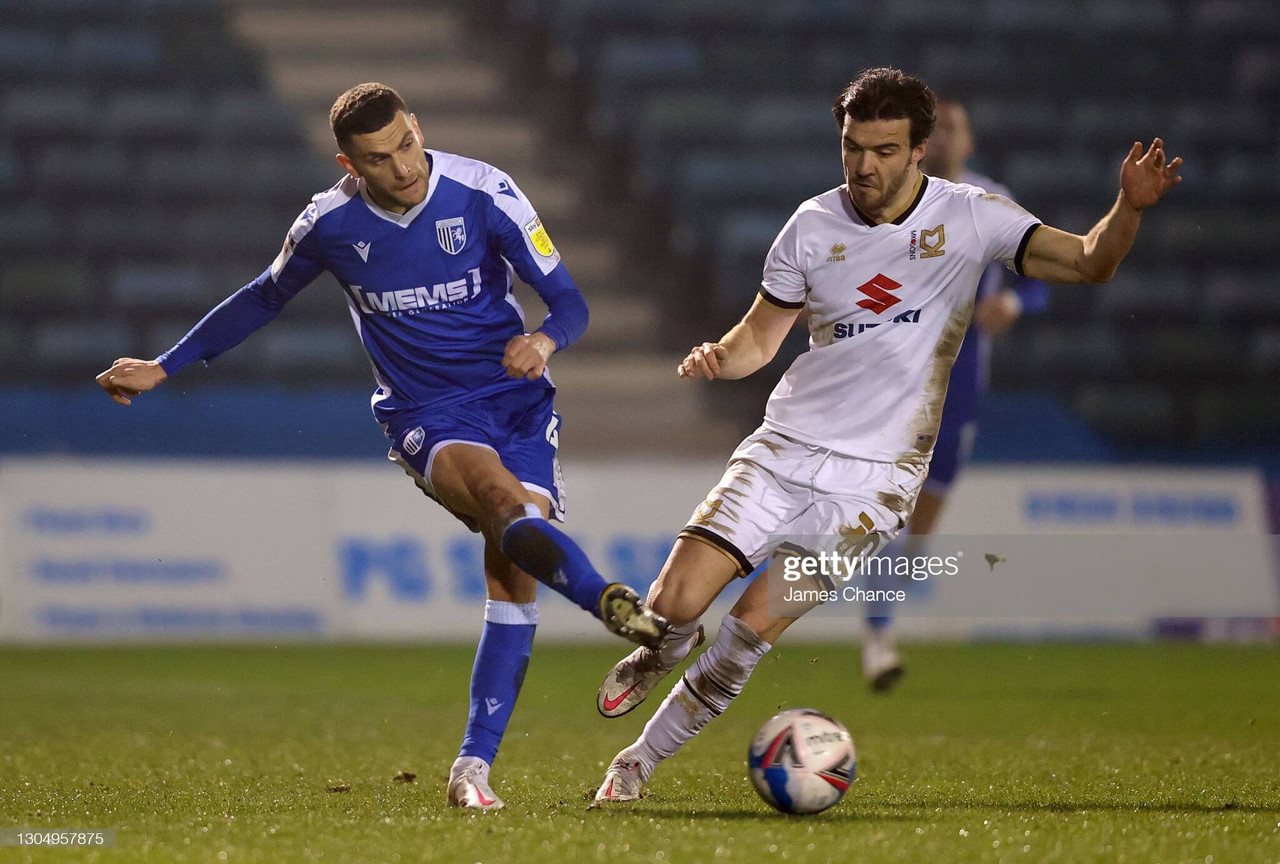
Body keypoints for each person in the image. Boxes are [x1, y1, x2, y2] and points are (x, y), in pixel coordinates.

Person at [590, 67, 1181, 804]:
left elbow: (1092, 262)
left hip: (874, 490)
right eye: (851, 147)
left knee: (750, 627)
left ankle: (636, 763)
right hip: (784, 451)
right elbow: (758, 338)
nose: (864, 165)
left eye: (883, 149)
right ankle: (667, 645)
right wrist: (720, 357)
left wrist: (1127, 204)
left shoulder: (973, 218)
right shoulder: (811, 226)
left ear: (919, 150)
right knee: (673, 602)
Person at [93, 82, 667, 811]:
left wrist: (546, 338)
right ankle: (610, 603)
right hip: (425, 415)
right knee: (503, 506)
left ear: (416, 126)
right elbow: (264, 295)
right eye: (379, 159)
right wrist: (165, 364)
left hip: (519, 407)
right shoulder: (329, 224)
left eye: (406, 144)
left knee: (514, 570)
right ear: (348, 164)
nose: (403, 167)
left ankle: (471, 770)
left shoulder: (485, 191)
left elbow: (571, 301)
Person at [858, 99, 1050, 692]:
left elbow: (1040, 280)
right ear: (918, 144)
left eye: (955, 129)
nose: (944, 140)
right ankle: (870, 633)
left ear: (967, 142)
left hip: (959, 387)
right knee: (872, 510)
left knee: (922, 523)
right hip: (893, 382)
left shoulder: (990, 202)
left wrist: (1013, 303)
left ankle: (877, 627)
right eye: (934, 131)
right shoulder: (886, 203)